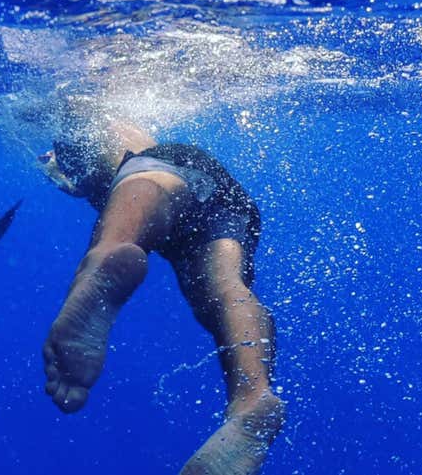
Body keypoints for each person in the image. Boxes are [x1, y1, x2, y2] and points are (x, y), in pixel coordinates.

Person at [38, 105, 285, 474]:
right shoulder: (108, 124)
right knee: (224, 290)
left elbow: (100, 162)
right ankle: (253, 398)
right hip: (222, 194)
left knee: (115, 241)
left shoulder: (79, 112)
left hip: (158, 171)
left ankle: (101, 266)